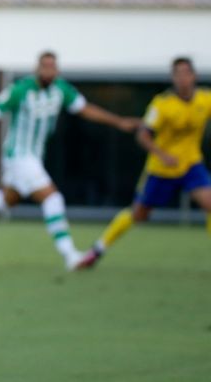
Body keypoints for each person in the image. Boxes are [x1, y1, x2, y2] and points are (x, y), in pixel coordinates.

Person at [0, 51, 139, 270]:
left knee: (7, 200)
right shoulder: (20, 90)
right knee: (52, 198)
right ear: (36, 68)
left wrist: (119, 122)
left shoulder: (61, 89)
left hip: (33, 157)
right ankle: (70, 255)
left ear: (57, 70)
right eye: (45, 66)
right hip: (18, 155)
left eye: (53, 67)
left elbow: (86, 109)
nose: (49, 71)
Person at [81, 57, 211, 267]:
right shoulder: (162, 104)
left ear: (194, 76)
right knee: (139, 213)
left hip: (191, 164)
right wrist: (162, 155)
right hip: (162, 169)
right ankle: (97, 249)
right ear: (173, 78)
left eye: (186, 73)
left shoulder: (205, 99)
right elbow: (143, 135)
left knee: (209, 203)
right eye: (177, 74)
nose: (182, 78)